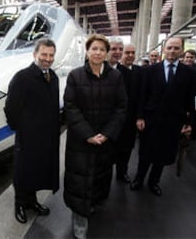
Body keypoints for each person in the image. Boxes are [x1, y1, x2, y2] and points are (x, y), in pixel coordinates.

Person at [63, 34, 127, 239]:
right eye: (94, 49)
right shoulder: (75, 76)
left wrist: (107, 134)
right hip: (81, 141)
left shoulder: (115, 77)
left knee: (100, 177)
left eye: (102, 49)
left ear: (107, 53)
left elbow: (121, 107)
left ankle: (92, 205)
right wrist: (88, 134)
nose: (98, 52)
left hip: (104, 141)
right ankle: (79, 218)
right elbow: (70, 107)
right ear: (87, 51)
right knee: (79, 180)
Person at [4, 38, 60, 224]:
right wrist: (22, 129)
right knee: (23, 171)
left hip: (46, 136)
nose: (48, 58)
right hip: (28, 136)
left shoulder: (53, 77)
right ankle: (19, 204)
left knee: (36, 170)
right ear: (35, 54)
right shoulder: (22, 78)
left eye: (51, 55)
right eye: (44, 54)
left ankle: (32, 201)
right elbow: (11, 108)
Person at [130, 37, 196, 196]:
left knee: (163, 154)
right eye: (170, 47)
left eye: (176, 48)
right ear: (164, 50)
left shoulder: (189, 73)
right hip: (150, 120)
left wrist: (189, 122)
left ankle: (154, 182)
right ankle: (139, 178)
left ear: (181, 50)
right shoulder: (149, 70)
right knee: (145, 152)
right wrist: (139, 117)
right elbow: (142, 96)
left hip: (173, 121)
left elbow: (190, 99)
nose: (172, 51)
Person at [115, 43, 141, 183]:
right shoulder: (114, 71)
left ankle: (122, 172)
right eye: (127, 52)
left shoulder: (139, 71)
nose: (130, 55)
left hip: (131, 119)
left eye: (133, 52)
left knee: (127, 148)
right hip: (115, 119)